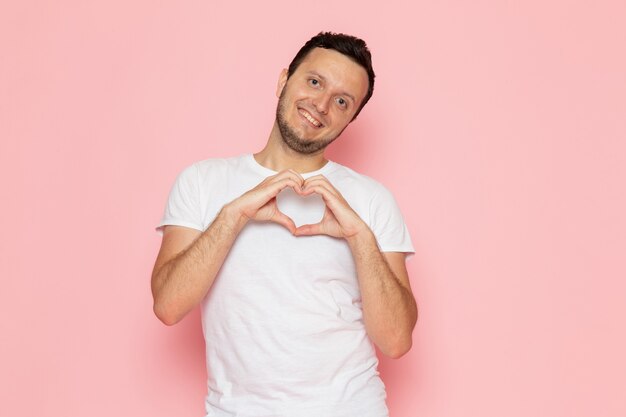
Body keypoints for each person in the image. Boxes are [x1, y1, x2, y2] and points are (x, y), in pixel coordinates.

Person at [152, 32, 417, 417]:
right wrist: (233, 215)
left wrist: (360, 237)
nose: (321, 105)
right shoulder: (202, 181)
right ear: (283, 81)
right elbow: (168, 306)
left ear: (350, 119)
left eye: (342, 102)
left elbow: (395, 341)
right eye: (314, 82)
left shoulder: (373, 200)